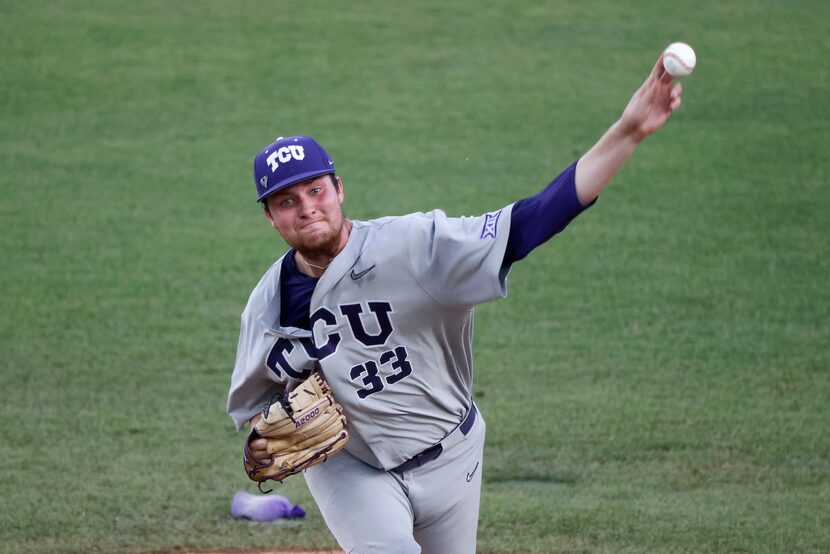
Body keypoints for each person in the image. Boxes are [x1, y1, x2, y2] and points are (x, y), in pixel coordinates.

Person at [227, 53, 683, 553]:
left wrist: (628, 132)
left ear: (339, 189)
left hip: (452, 454)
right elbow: (254, 406)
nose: (307, 208)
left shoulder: (416, 247)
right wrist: (263, 434)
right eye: (287, 201)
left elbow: (533, 220)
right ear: (271, 217)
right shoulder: (267, 307)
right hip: (351, 469)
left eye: (316, 190)